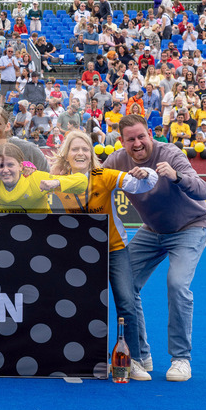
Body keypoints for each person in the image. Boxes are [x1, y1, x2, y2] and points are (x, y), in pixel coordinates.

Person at [102, 114, 206, 382]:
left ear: (150, 134)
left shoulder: (170, 153)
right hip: (152, 230)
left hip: (190, 227)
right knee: (125, 284)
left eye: (141, 136)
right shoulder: (116, 160)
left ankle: (181, 359)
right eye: (130, 139)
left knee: (177, 284)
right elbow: (91, 179)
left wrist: (176, 176)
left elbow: (204, 191)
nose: (137, 143)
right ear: (122, 142)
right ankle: (139, 356)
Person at [49, 130, 159, 379]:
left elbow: (143, 184)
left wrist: (146, 173)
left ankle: (133, 360)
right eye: (75, 149)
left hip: (113, 248)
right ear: (66, 155)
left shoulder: (103, 175)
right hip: (79, 253)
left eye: (85, 149)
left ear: (91, 154)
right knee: (81, 304)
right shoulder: (57, 181)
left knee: (126, 302)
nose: (80, 153)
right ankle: (83, 358)